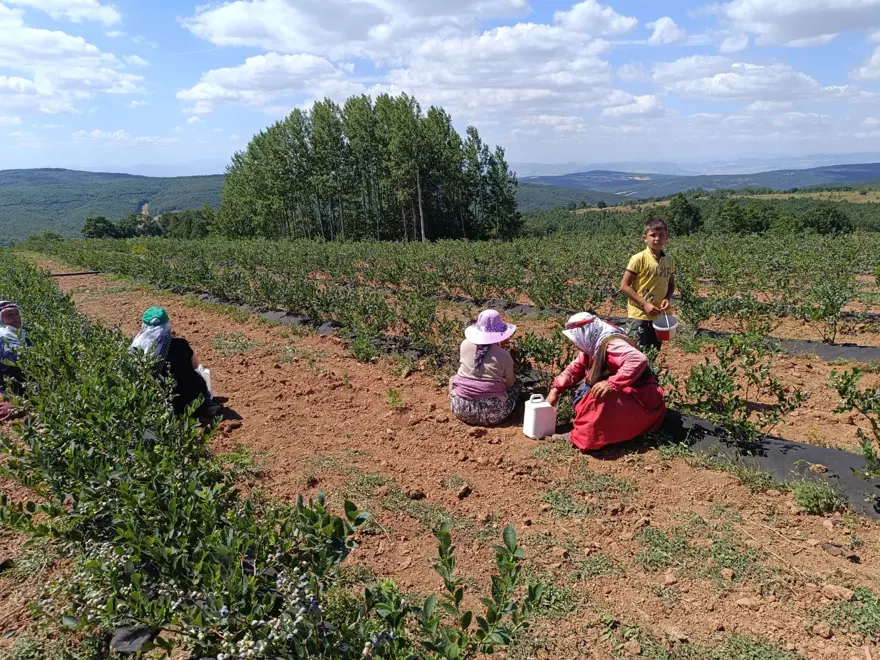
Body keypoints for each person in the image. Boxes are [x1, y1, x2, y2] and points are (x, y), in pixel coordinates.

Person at [546, 312, 666, 452]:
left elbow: (637, 359)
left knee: (597, 399)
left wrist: (612, 383)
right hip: (629, 392)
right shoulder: (593, 343)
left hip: (640, 397)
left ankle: (581, 437)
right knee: (587, 392)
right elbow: (575, 367)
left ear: (585, 333)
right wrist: (556, 389)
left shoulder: (612, 344)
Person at [130, 307, 218, 417]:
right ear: (167, 324)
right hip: (191, 398)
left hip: (162, 401)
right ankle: (206, 404)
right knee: (202, 371)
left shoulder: (136, 349)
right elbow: (195, 365)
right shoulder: (181, 344)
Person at [449, 309, 519, 427]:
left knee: (453, 379)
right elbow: (510, 383)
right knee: (516, 387)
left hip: (461, 409)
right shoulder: (504, 355)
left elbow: (483, 354)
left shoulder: (464, 344)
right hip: (494, 413)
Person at [620, 217, 676, 354]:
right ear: (645, 238)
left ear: (667, 237)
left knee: (652, 353)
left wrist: (667, 298)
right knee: (635, 354)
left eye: (661, 235)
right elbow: (624, 286)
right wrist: (645, 304)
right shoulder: (638, 259)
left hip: (659, 316)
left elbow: (671, 284)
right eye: (652, 235)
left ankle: (648, 375)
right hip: (639, 315)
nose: (657, 238)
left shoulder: (669, 260)